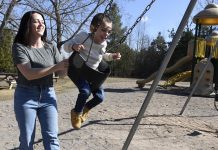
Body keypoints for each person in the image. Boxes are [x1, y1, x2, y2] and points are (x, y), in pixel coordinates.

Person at [12, 11, 68, 150]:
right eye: (36, 21)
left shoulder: (51, 46)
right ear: (27, 25)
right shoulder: (19, 47)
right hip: (26, 96)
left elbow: (61, 74)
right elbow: (29, 74)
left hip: (48, 95)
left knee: (52, 138)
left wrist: (70, 64)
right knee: (27, 140)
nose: (41, 24)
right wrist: (56, 66)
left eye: (42, 21)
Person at [64, 13, 121, 129]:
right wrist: (74, 46)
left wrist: (112, 56)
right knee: (85, 91)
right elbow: (66, 45)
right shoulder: (83, 36)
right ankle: (76, 113)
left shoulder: (104, 44)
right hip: (79, 71)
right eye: (104, 30)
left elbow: (102, 56)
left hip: (93, 74)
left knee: (100, 97)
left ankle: (86, 108)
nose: (106, 34)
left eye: (109, 32)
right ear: (93, 28)